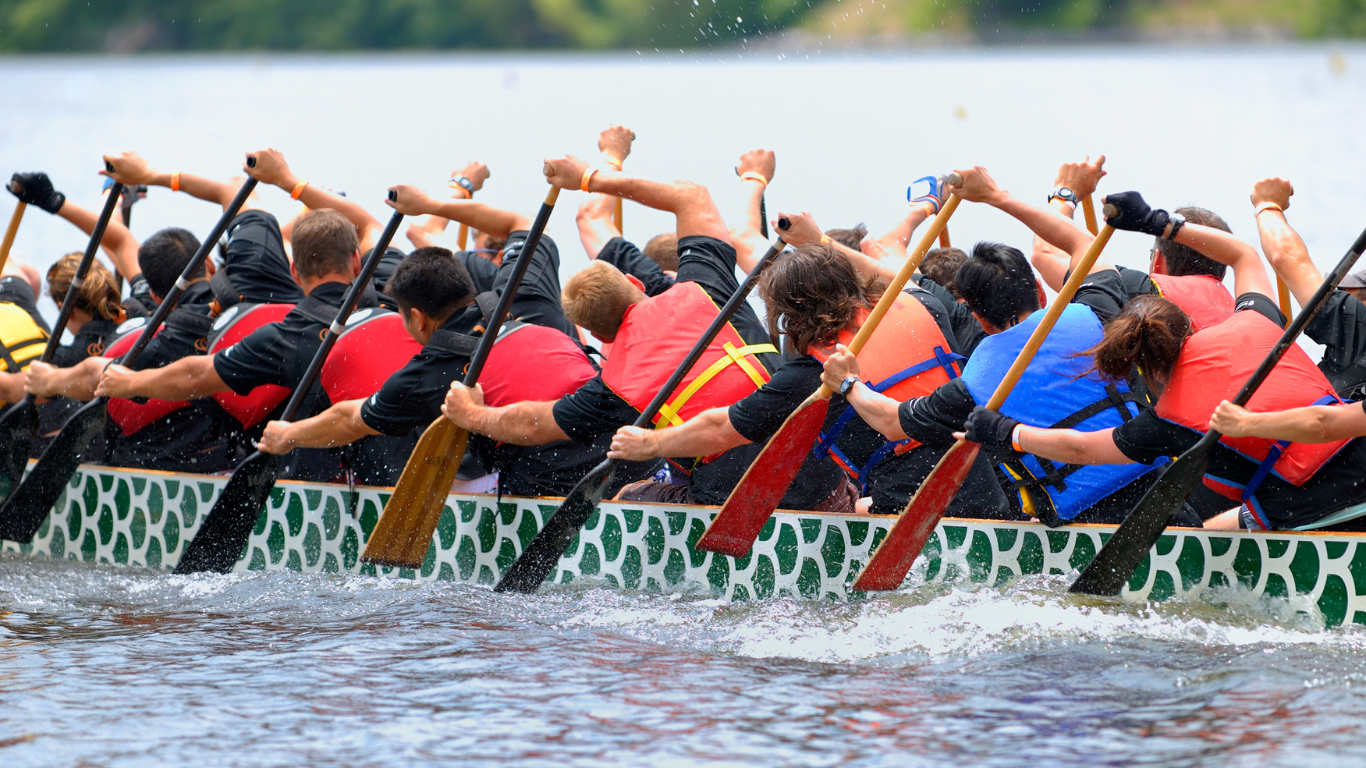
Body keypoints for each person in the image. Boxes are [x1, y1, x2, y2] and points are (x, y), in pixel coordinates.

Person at [823, 167, 1228, 527]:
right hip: (1167, 497)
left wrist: (848, 384)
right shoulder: (1096, 309)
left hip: (1083, 525)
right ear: (1037, 287)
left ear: (977, 318)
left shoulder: (977, 382)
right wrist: (997, 196)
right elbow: (1080, 242)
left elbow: (892, 422)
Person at [440, 158, 841, 510]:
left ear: (599, 334)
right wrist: (589, 177)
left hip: (734, 494)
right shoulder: (704, 288)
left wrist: (474, 414)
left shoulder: (614, 385)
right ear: (636, 281)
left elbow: (533, 424)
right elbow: (692, 196)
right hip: (816, 475)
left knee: (631, 492)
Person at [964, 190, 1366, 533]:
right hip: (1355, 456)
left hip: (1314, 500)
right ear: (1187, 328)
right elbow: (1245, 255)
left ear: (1146, 369)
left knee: (1217, 527)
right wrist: (1157, 221)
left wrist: (1007, 431)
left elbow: (1080, 449)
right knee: (1223, 518)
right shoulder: (1254, 318)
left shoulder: (1168, 419)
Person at [608, 216, 1007, 518]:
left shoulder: (813, 373)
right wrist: (817, 241)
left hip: (910, 508)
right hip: (983, 486)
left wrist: (652, 444)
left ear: (787, 313)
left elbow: (720, 429)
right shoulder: (925, 305)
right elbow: (889, 275)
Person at [95, 150, 412, 483]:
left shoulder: (286, 336)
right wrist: (289, 180)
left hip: (337, 482)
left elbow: (197, 376)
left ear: (294, 271)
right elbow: (372, 225)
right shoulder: (390, 286)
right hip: (420, 463)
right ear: (357, 262)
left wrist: (132, 382)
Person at [255, 248, 615, 497]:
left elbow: (350, 420)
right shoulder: (524, 310)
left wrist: (289, 435)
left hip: (560, 477)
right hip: (622, 453)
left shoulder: (432, 372)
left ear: (417, 318)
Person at [25, 227, 242, 473]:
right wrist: (111, 197)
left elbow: (96, 375)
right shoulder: (143, 305)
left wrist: (49, 380)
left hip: (153, 458)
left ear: (65, 308)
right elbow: (122, 242)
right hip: (221, 446)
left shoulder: (161, 341)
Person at [1029, 155, 1234, 331]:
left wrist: (1066, 193)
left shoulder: (1137, 292)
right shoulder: (1248, 310)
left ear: (1158, 261)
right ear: (1222, 274)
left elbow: (1047, 251)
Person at [1252, 177, 1366, 400]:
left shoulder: (1358, 328)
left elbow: (1284, 256)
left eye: (1342, 293)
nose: (1336, 298)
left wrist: (1267, 205)